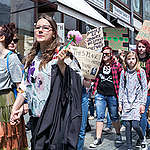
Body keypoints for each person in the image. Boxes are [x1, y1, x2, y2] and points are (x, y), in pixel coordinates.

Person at [10, 14, 83, 150]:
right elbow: (25, 87)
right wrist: (16, 108)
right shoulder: (31, 58)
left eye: (45, 28)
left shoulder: (63, 52)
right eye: (37, 27)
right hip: (36, 116)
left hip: (55, 117)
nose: (40, 30)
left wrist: (61, 65)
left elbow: (77, 81)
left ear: (54, 33)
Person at [0, 23, 27, 149]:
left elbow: (21, 86)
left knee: (8, 140)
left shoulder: (11, 58)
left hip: (6, 103)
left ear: (2, 38)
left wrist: (22, 105)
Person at [89, 46, 122, 148]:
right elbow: (93, 77)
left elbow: (122, 79)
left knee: (114, 116)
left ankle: (118, 134)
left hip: (113, 95)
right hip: (100, 94)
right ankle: (98, 138)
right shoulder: (98, 65)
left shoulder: (116, 65)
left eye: (107, 54)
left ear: (111, 54)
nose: (105, 56)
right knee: (99, 116)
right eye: (103, 53)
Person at [118, 51, 147, 150]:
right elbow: (121, 88)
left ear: (136, 60)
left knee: (135, 124)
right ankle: (129, 146)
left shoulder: (140, 72)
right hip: (126, 101)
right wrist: (120, 103)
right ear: (126, 60)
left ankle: (142, 138)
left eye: (133, 59)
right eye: (129, 59)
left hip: (137, 101)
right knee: (127, 125)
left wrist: (143, 103)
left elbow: (144, 88)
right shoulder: (124, 72)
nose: (131, 61)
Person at [135, 40, 150, 145]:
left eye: (143, 47)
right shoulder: (134, 59)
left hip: (147, 91)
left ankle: (142, 137)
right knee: (139, 113)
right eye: (139, 47)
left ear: (146, 48)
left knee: (142, 113)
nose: (141, 49)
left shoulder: (149, 60)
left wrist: (146, 89)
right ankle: (148, 128)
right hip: (135, 91)